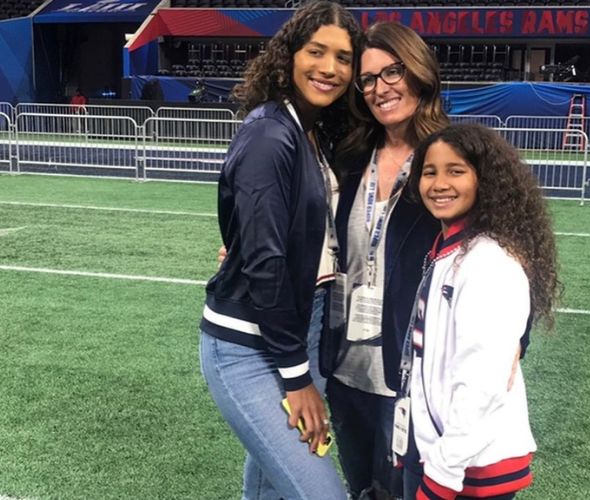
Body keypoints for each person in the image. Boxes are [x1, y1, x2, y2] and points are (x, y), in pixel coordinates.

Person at [198, 2, 362, 499]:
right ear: (289, 55)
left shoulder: (308, 130)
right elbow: (266, 263)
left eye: (343, 57)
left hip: (298, 332)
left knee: (270, 491)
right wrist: (297, 379)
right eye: (316, 52)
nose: (329, 68)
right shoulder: (271, 132)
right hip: (249, 346)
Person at [320, 22, 449, 500]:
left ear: (418, 72)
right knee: (361, 491)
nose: (380, 88)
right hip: (345, 368)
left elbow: (500, 247)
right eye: (368, 79)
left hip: (411, 373)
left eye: (391, 72)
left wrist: (514, 342)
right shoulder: (353, 154)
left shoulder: (453, 156)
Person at [398, 123, 560, 500]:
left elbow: (480, 384)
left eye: (456, 171)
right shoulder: (449, 249)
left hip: (470, 469)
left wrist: (441, 475)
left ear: (484, 179)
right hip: (444, 455)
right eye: (429, 172)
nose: (439, 184)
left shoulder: (489, 262)